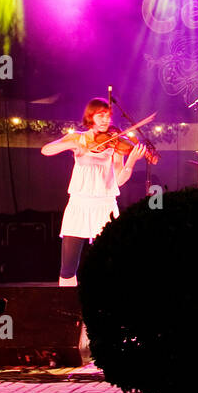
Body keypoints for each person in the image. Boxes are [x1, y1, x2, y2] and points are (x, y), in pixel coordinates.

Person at [41, 98, 147, 287]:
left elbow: (119, 180)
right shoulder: (77, 138)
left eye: (108, 116)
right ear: (90, 116)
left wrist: (131, 161)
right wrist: (74, 146)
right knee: (68, 267)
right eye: (101, 115)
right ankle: (67, 307)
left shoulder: (114, 144)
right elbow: (46, 150)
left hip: (104, 206)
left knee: (110, 263)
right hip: (79, 205)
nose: (106, 119)